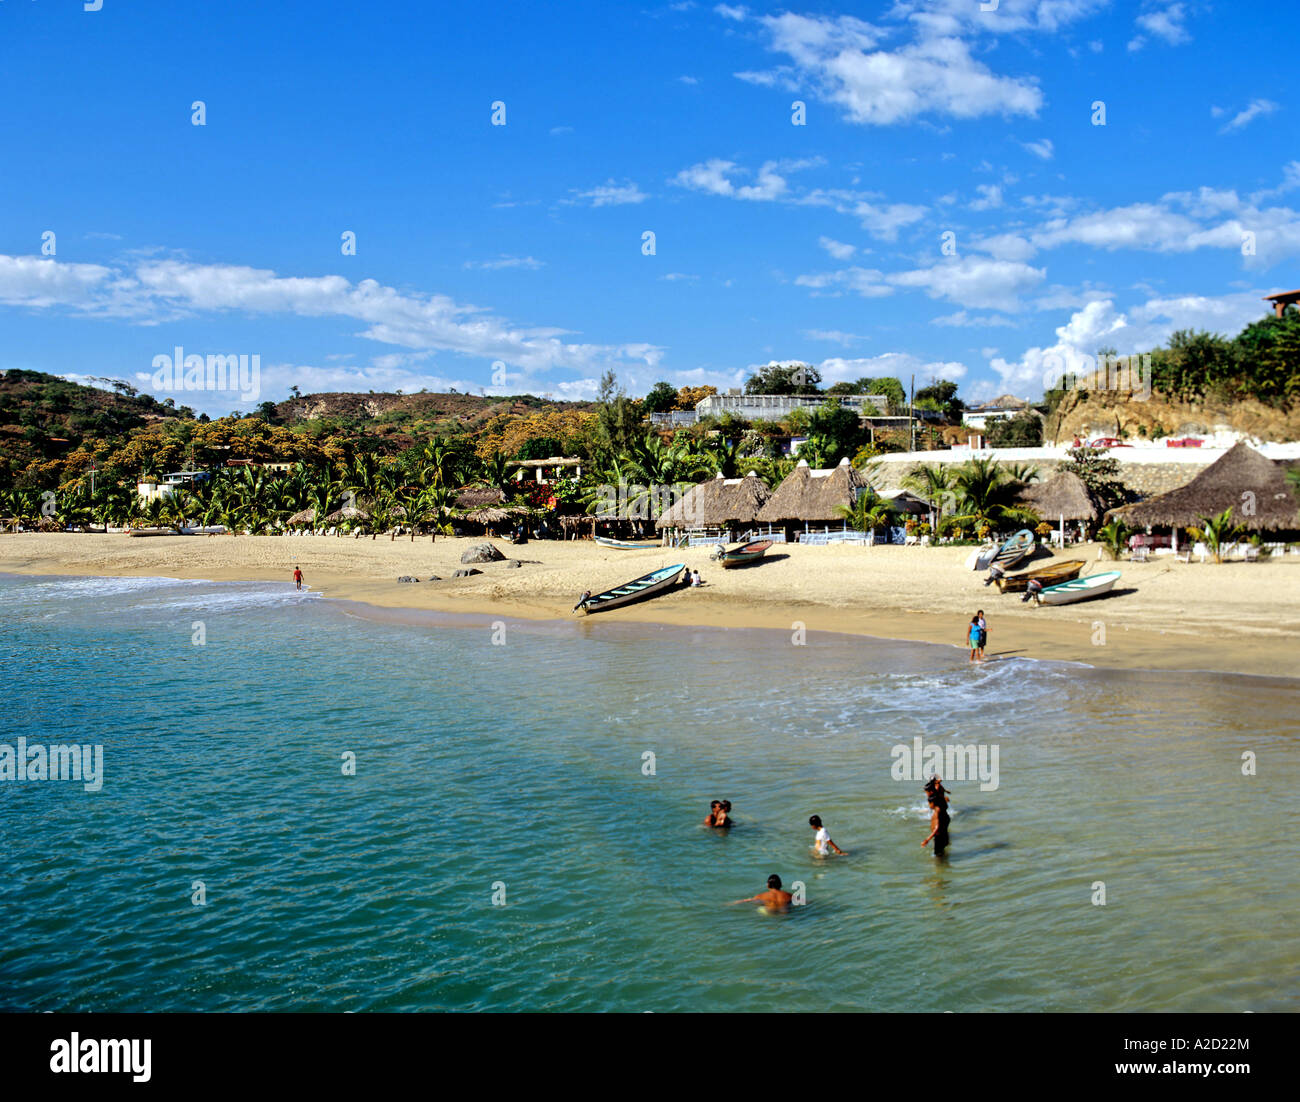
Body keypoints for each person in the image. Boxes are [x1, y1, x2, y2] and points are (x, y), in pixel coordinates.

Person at [921, 790, 950, 857]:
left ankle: (940, 866)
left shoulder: (937, 812)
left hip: (939, 837)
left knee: (938, 855)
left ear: (933, 803)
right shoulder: (941, 808)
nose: (929, 805)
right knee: (941, 852)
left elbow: (937, 828)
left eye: (929, 803)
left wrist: (927, 839)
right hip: (943, 835)